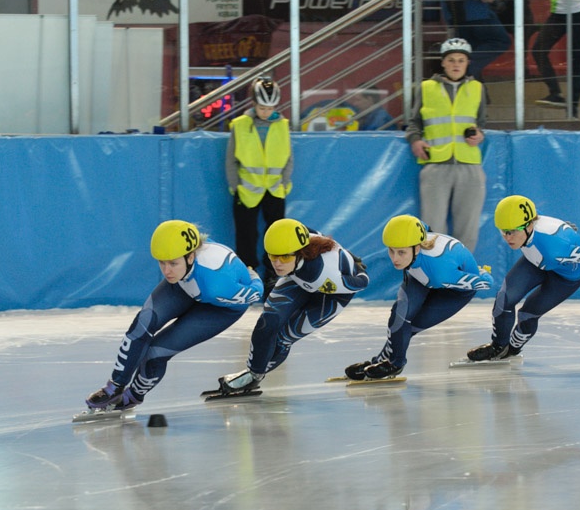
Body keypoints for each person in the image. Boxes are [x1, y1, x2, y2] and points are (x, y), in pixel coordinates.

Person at [84, 220, 264, 411]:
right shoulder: (180, 264)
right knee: (143, 323)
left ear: (191, 257)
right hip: (186, 283)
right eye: (162, 262)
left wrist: (253, 275)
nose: (166, 270)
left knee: (156, 352)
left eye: (173, 263)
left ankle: (132, 397)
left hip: (220, 307)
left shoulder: (217, 285)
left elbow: (256, 293)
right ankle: (114, 387)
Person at [214, 218, 370, 395]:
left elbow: (363, 282)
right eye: (273, 255)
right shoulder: (297, 241)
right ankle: (253, 373)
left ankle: (254, 376)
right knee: (267, 323)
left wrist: (358, 268)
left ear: (301, 252)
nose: (278, 263)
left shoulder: (322, 274)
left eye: (285, 256)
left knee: (284, 337)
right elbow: (312, 233)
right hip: (297, 277)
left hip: (331, 294)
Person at [344, 215, 494, 380]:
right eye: (391, 250)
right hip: (422, 276)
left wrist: (481, 274)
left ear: (417, 248)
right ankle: (384, 361)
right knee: (400, 316)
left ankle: (393, 364)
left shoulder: (440, 272)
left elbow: (486, 284)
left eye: (401, 252)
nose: (395, 258)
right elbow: (422, 227)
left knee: (413, 325)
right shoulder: (414, 237)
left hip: (452, 290)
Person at [466, 195, 580, 361]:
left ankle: (512, 349)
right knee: (504, 298)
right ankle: (497, 347)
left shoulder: (554, 248)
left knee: (527, 314)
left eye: (512, 232)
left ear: (529, 225)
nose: (507, 237)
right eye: (503, 231)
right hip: (536, 261)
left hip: (566, 277)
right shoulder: (526, 221)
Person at [405, 38, 488, 253]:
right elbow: (413, 122)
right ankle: (433, 273)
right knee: (432, 227)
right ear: (443, 63)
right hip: (436, 165)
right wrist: (415, 140)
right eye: (451, 60)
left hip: (469, 164)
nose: (456, 64)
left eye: (461, 60)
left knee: (468, 228)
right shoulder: (426, 88)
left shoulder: (478, 88)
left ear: (467, 63)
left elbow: (481, 123)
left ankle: (461, 274)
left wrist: (479, 135)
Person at [226, 77, 292, 294]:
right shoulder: (240, 125)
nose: (266, 111)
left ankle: (273, 276)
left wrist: (284, 183)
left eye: (270, 107)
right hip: (247, 189)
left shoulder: (282, 125)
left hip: (274, 189)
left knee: (275, 235)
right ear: (254, 104)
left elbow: (288, 157)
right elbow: (230, 159)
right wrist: (235, 186)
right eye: (262, 107)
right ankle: (248, 274)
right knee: (246, 235)